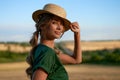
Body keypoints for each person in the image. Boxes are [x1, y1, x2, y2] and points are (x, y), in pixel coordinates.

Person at [26, 3, 82, 80]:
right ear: (42, 25)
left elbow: (76, 60)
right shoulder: (47, 53)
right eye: (54, 22)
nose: (59, 27)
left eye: (61, 24)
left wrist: (77, 34)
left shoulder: (44, 50)